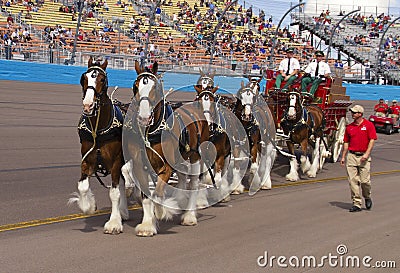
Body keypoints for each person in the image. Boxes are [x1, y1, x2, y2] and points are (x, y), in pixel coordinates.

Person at [340, 105, 377, 212]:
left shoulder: (368, 125)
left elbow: (372, 139)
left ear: (360, 114)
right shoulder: (349, 127)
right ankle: (356, 203)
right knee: (353, 181)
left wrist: (367, 154)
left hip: (364, 157)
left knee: (365, 181)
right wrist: (343, 156)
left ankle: (367, 196)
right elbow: (346, 142)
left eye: (355, 113)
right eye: (352, 112)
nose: (352, 114)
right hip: (351, 156)